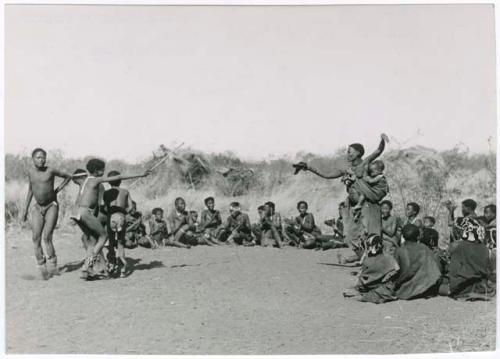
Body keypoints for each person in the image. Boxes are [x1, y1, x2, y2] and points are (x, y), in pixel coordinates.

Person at [294, 133, 389, 263]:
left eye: (350, 152)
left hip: (367, 205)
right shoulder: (347, 170)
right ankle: (362, 258)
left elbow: (377, 152)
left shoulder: (365, 164)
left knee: (370, 233)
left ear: (358, 153)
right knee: (352, 235)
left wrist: (382, 140)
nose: (348, 154)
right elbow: (327, 174)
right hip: (353, 208)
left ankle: (372, 262)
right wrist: (308, 167)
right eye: (347, 152)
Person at [71, 158, 149, 279]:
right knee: (104, 236)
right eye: (102, 169)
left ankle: (90, 269)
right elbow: (117, 178)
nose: (104, 172)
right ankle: (87, 265)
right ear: (97, 171)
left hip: (78, 213)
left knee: (92, 240)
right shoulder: (96, 180)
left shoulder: (85, 181)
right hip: (86, 212)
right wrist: (140, 174)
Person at [21, 148, 76, 279]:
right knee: (35, 237)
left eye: (43, 157)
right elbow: (30, 190)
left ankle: (53, 265)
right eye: (38, 157)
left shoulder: (50, 170)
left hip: (51, 206)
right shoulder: (30, 172)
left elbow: (68, 176)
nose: (41, 160)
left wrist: (57, 190)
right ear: (33, 159)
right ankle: (42, 266)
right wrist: (24, 209)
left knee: (47, 236)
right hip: (37, 208)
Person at [447, 216, 495, 301]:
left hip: (463, 286)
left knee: (439, 285)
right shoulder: (484, 247)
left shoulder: (459, 246)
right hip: (481, 283)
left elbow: (454, 271)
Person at [343, 234, 399, 303]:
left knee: (360, 293)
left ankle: (363, 296)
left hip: (380, 289)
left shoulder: (368, 261)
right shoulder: (389, 258)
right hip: (389, 288)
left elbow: (363, 281)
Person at [393, 224, 442, 300]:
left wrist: (397, 282)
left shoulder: (399, 250)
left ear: (403, 236)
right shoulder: (424, 248)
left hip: (406, 287)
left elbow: (395, 270)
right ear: (418, 236)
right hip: (424, 285)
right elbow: (434, 268)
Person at [102, 170, 135, 277]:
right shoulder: (125, 191)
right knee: (121, 243)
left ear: (108, 182)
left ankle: (111, 264)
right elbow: (131, 207)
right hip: (121, 217)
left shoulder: (106, 193)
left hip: (110, 217)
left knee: (111, 243)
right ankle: (122, 268)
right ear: (120, 181)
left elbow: (105, 207)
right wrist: (125, 212)